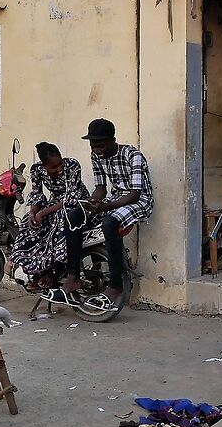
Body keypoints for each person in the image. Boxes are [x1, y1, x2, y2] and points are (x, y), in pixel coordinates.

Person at [64, 118, 154, 311]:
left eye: (100, 145)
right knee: (73, 216)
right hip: (114, 199)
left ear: (113, 140)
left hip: (139, 201)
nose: (97, 149)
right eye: (93, 145)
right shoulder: (96, 154)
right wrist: (92, 203)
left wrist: (106, 207)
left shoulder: (133, 155)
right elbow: (100, 188)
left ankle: (115, 284)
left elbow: (135, 193)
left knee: (109, 223)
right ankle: (72, 274)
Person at [10, 142, 92, 291]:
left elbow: (70, 197)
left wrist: (43, 213)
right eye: (54, 167)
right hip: (54, 204)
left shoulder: (72, 165)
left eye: (60, 164)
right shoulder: (36, 169)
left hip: (78, 203)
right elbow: (37, 195)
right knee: (29, 224)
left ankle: (52, 272)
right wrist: (33, 213)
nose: (59, 169)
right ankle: (38, 271)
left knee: (59, 221)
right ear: (43, 164)